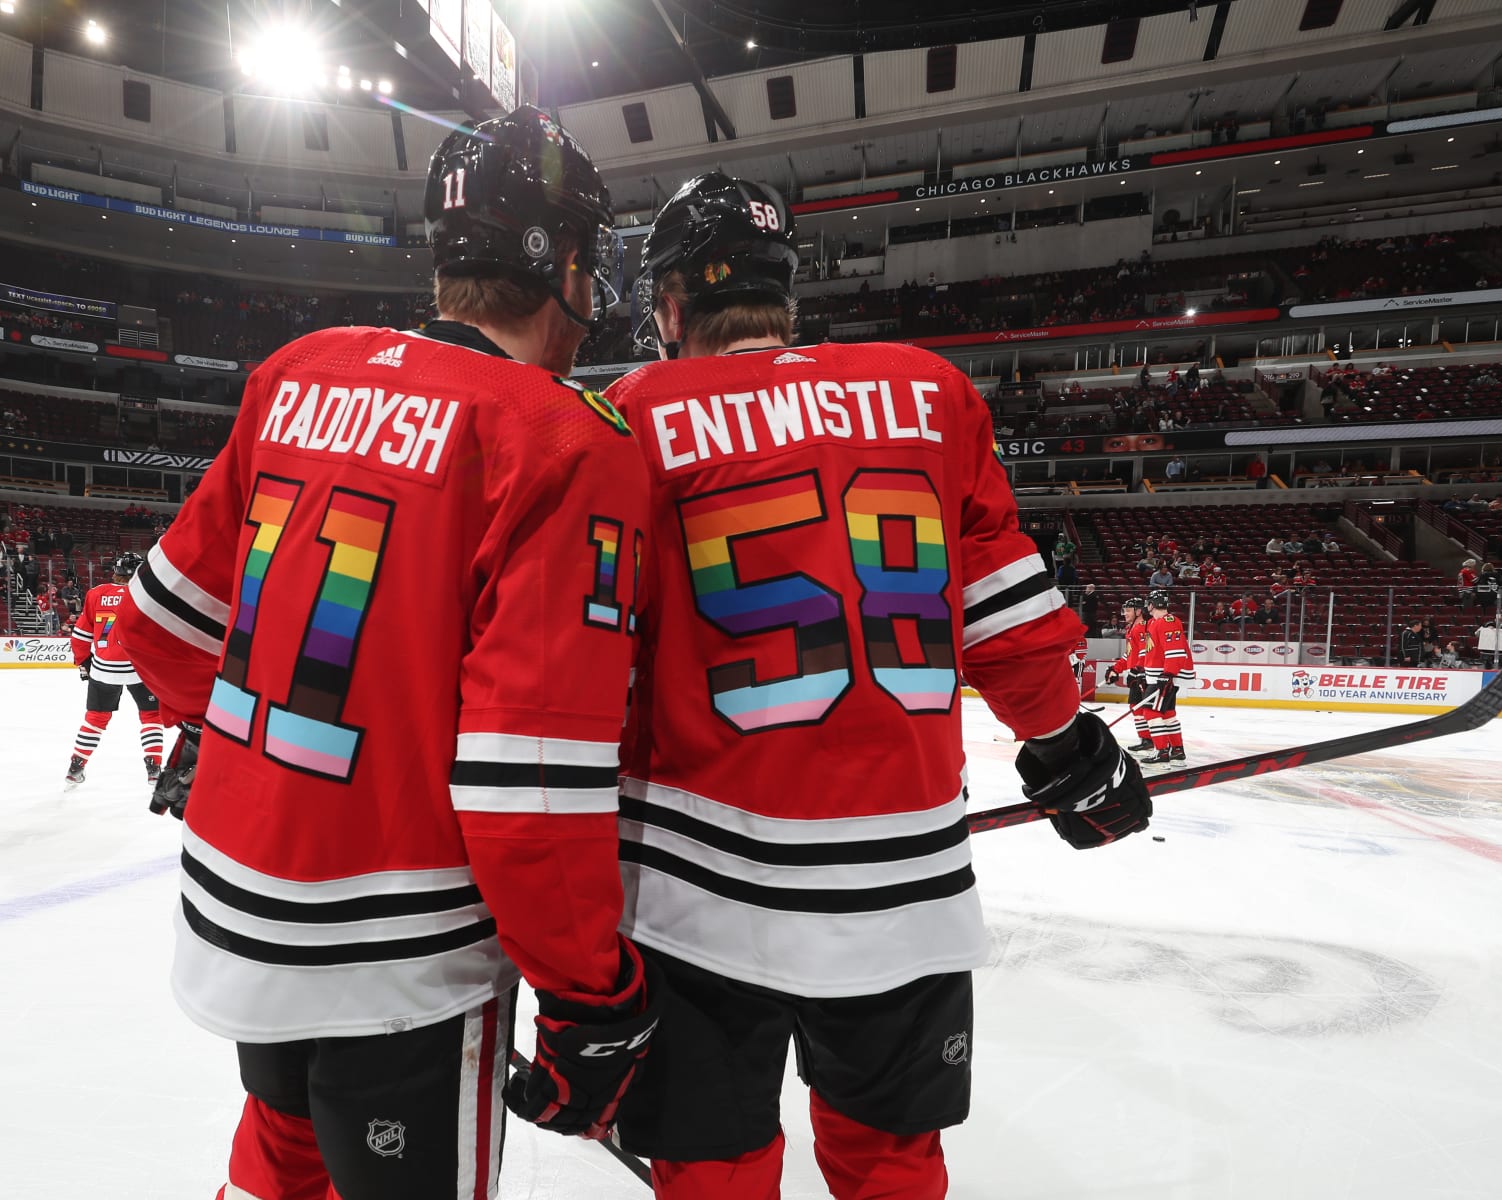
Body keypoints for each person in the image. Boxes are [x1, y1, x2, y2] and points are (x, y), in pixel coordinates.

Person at [114, 107, 660, 1200]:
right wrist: (591, 993)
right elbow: (529, 791)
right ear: (559, 262)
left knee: (279, 1161)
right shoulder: (563, 438)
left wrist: (210, 746)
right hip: (401, 949)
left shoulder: (299, 371)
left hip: (241, 906)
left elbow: (162, 625)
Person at [604, 171, 1151, 1200]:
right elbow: (1000, 609)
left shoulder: (629, 415)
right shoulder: (929, 392)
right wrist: (1065, 751)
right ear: (783, 292)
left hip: (693, 892)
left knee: (710, 1174)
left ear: (672, 306)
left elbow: (582, 657)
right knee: (893, 1170)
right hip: (906, 888)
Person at [64, 553, 165, 789]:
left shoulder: (95, 594)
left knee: (95, 719)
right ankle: (153, 769)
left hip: (103, 669)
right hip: (138, 669)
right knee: (151, 717)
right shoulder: (146, 595)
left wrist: (84, 662)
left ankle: (75, 767)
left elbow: (80, 636)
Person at [1139, 588, 1196, 765]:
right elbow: (1154, 651)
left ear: (1152, 604)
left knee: (1150, 712)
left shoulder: (1168, 621)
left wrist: (1168, 674)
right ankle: (1177, 750)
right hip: (1158, 675)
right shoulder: (1155, 623)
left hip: (1163, 677)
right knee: (1167, 713)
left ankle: (1162, 751)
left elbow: (1175, 651)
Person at [1107, 595, 1155, 752]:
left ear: (1139, 611)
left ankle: (1154, 740)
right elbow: (1129, 655)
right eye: (1125, 610)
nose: (1125, 613)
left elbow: (1145, 652)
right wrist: (1116, 669)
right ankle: (1146, 739)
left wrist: (1139, 670)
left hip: (1144, 674)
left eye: (1128, 610)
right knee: (1136, 706)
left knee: (1147, 709)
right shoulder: (1131, 629)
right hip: (1137, 674)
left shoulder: (1142, 627)